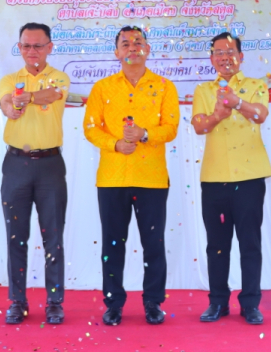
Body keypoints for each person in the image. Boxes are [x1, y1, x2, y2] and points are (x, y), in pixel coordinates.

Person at [84, 26, 179, 326]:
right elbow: (90, 127)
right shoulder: (102, 88)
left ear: (147, 49)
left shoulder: (164, 86)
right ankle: (113, 303)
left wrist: (144, 134)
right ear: (117, 52)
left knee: (153, 243)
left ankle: (153, 302)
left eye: (138, 42)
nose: (132, 48)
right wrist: (115, 143)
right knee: (113, 243)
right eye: (125, 44)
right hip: (112, 178)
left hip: (151, 178)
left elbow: (171, 128)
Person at [191, 32, 271, 325]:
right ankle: (217, 302)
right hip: (214, 179)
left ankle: (250, 304)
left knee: (250, 242)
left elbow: (260, 114)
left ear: (241, 55)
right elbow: (199, 126)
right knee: (217, 245)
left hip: (250, 178)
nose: (224, 57)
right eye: (218, 52)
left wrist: (237, 103)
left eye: (230, 51)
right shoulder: (203, 89)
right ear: (212, 58)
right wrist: (217, 115)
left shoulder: (256, 86)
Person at [0, 22, 70, 325]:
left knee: (53, 237)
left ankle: (54, 302)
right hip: (15, 165)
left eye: (38, 46)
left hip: (50, 166)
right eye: (26, 46)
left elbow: (50, 95)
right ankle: (17, 301)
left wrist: (25, 98)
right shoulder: (9, 79)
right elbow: (4, 103)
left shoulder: (60, 78)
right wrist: (11, 107)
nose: (31, 51)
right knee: (16, 237)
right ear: (20, 47)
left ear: (50, 47)